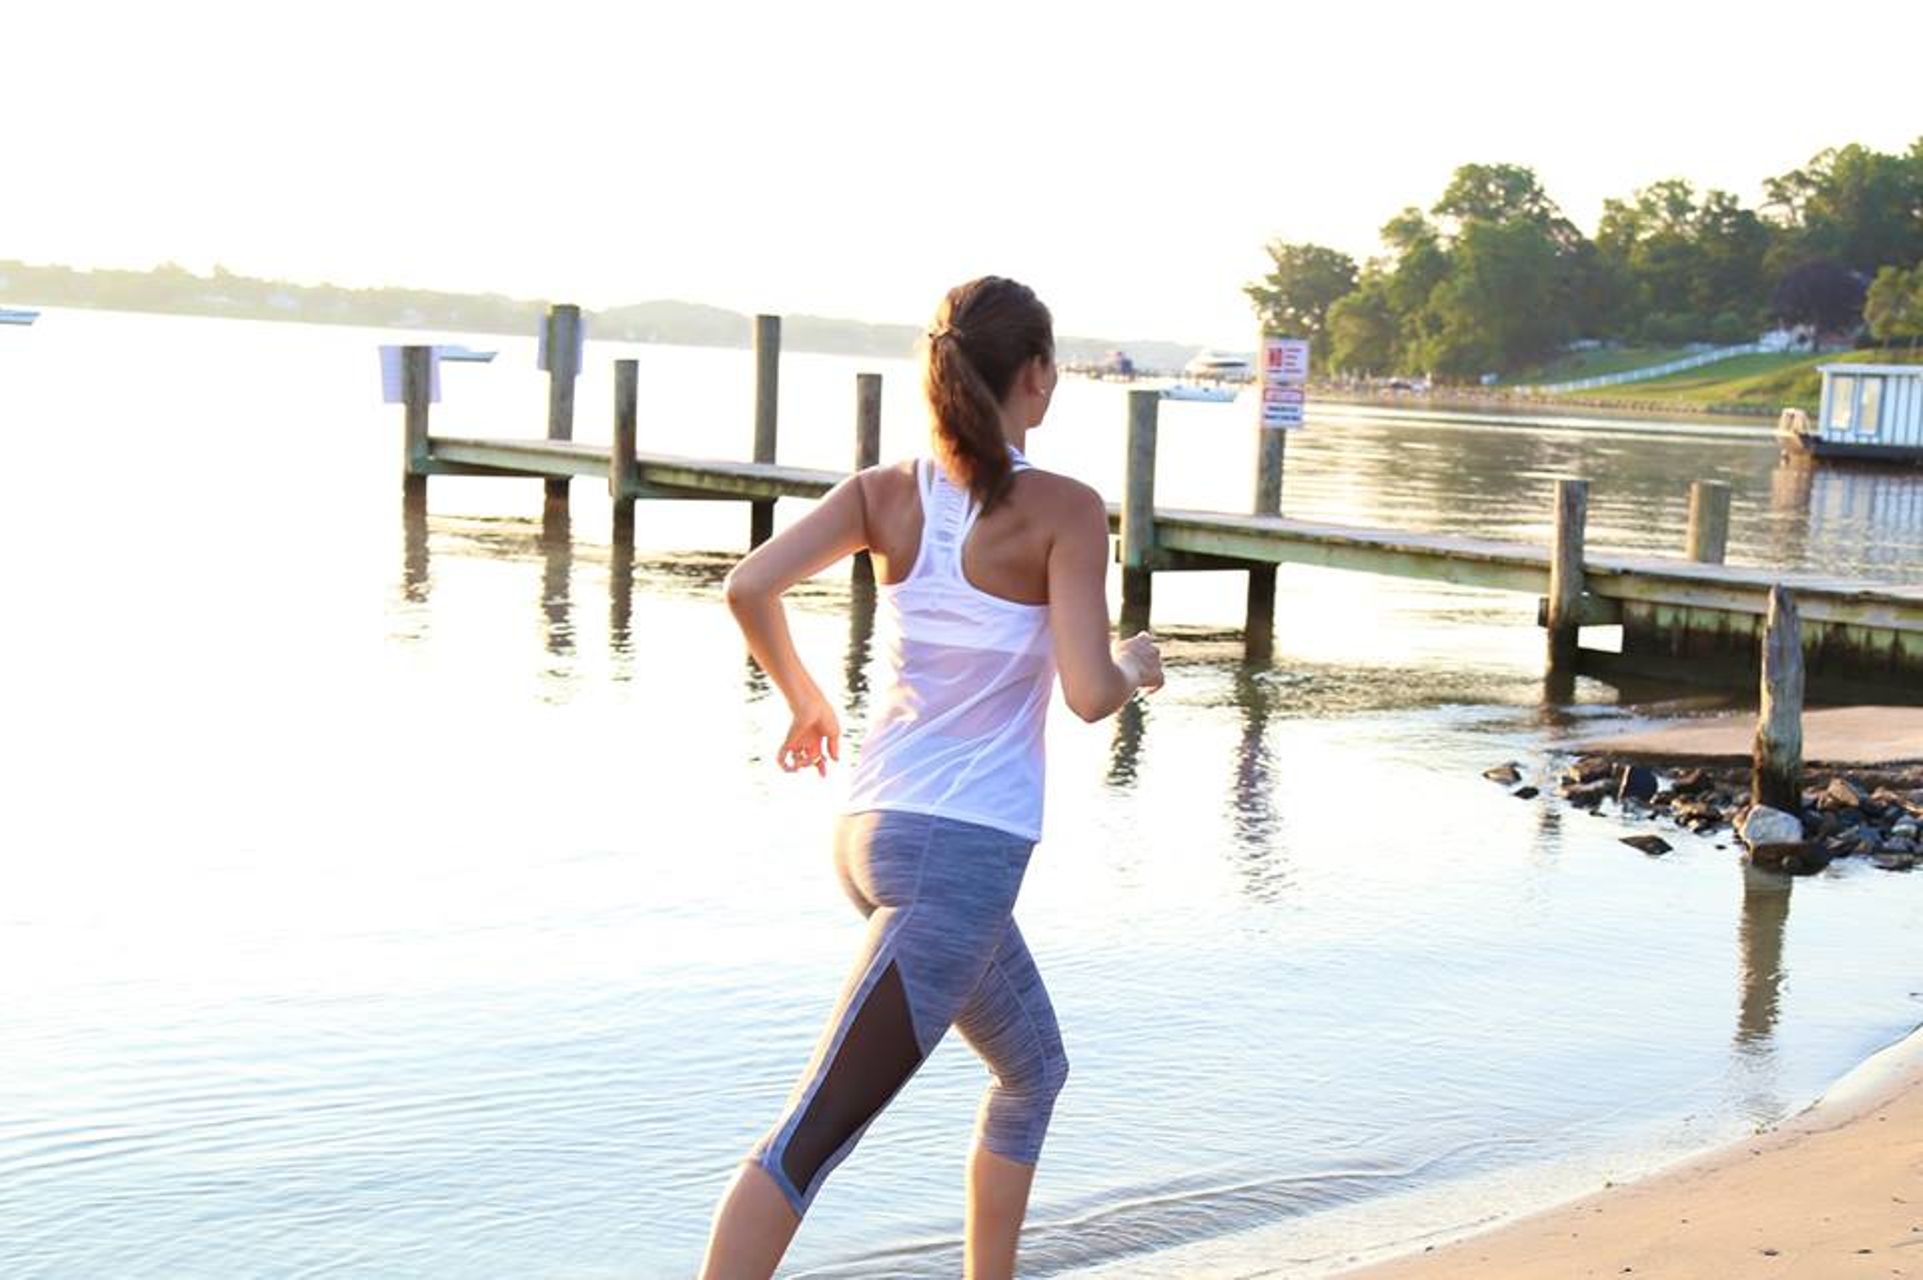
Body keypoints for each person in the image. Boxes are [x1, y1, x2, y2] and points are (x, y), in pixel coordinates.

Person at [700, 276, 1164, 1280]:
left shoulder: (885, 492)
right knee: (812, 1134)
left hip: (875, 834)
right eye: (1052, 367)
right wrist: (1135, 663)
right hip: (957, 863)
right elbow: (1088, 693)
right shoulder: (1067, 510)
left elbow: (751, 585)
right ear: (1035, 375)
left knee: (1033, 1068)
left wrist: (805, 699)